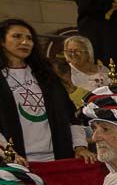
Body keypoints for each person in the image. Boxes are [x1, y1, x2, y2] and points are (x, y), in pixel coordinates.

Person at [0, 18, 92, 161]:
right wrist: (7, 152)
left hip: (57, 157)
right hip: (16, 161)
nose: (25, 42)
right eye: (17, 36)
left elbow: (72, 117)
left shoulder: (46, 75)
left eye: (29, 38)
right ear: (2, 41)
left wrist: (80, 146)